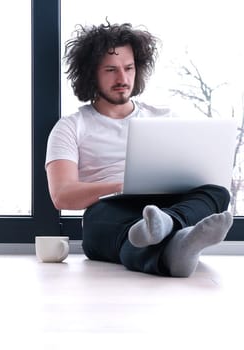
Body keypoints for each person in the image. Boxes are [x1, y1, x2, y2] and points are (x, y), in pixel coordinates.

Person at [45, 21, 233, 277]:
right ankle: (178, 242)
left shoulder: (164, 118)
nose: (122, 79)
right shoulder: (71, 126)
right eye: (111, 70)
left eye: (129, 68)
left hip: (166, 206)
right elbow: (63, 195)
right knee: (107, 224)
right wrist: (121, 185)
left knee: (217, 192)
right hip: (111, 209)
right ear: (92, 74)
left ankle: (171, 230)